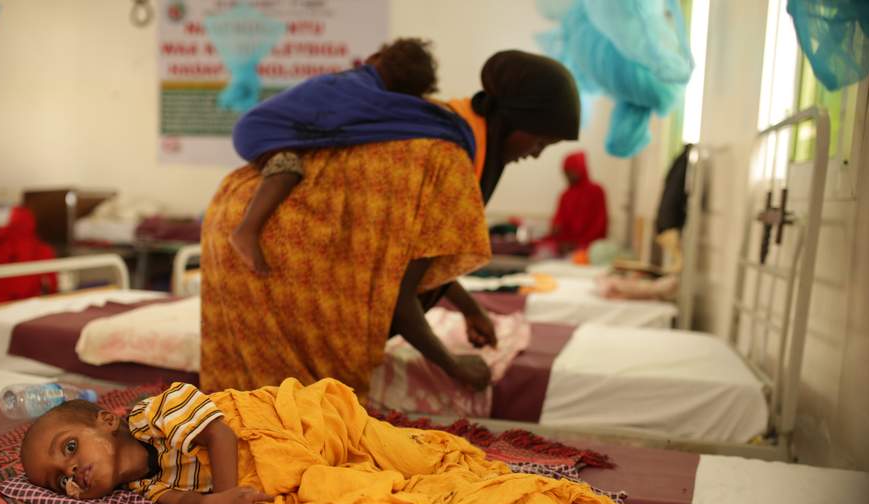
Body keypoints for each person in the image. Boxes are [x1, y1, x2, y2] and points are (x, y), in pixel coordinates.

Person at [201, 49, 580, 398]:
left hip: (249, 220)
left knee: (266, 402)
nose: (535, 154)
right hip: (275, 245)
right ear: (511, 121)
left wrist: (469, 307)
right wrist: (454, 366)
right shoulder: (449, 157)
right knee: (305, 406)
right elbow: (398, 296)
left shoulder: (442, 128)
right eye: (539, 142)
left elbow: (414, 252)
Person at [20, 379, 685, 504]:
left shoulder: (150, 411)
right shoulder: (141, 489)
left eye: (68, 446)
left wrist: (221, 496)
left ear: (104, 424)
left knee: (406, 454)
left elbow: (221, 429)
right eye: (60, 480)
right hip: (260, 475)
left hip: (289, 422)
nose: (71, 471)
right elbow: (179, 499)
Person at [230, 38, 447, 275]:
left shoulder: (365, 88)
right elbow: (389, 112)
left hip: (288, 131)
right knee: (287, 169)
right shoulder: (352, 87)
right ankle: (247, 231)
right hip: (262, 130)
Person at [538, 151, 608, 256]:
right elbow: (558, 219)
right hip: (565, 245)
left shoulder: (596, 191)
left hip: (588, 245)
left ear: (580, 168)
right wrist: (556, 229)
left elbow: (600, 223)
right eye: (565, 172)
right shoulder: (565, 195)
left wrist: (578, 244)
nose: (567, 176)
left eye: (570, 171)